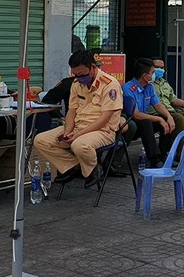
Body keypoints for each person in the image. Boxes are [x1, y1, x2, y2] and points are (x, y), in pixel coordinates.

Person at [33, 50, 123, 187]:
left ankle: (93, 170)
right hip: (77, 127)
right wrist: (67, 132)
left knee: (79, 144)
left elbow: (105, 118)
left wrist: (78, 134)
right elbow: (72, 111)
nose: (79, 78)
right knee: (40, 140)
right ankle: (73, 166)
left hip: (102, 131)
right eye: (76, 75)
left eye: (82, 74)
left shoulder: (110, 84)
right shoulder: (76, 83)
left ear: (93, 67)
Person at [123, 58, 176, 168]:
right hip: (131, 122)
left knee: (167, 120)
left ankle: (163, 155)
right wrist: (159, 119)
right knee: (146, 122)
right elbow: (136, 114)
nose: (154, 75)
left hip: (143, 120)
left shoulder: (149, 87)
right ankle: (154, 159)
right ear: (144, 75)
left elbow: (158, 105)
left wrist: (168, 116)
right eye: (152, 72)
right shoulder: (128, 89)